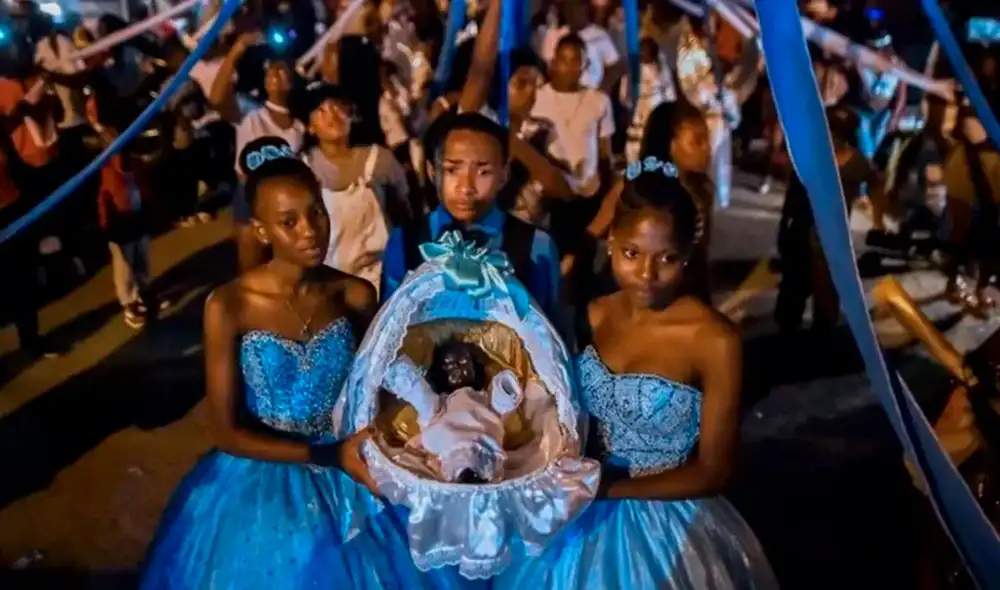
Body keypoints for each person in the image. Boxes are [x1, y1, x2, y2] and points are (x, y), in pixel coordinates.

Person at [140, 137, 411, 589]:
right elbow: (225, 431)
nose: (310, 230)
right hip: (260, 476)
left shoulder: (354, 294)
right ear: (262, 231)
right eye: (289, 221)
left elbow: (381, 387)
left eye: (316, 212)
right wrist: (325, 455)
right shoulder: (229, 305)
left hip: (349, 467)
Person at [496, 159, 777, 589]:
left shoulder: (714, 340)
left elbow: (714, 470)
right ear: (611, 242)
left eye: (667, 258)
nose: (648, 274)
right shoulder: (589, 316)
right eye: (632, 253)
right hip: (574, 518)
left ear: (687, 257)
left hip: (665, 524)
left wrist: (606, 489)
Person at [381, 112, 562, 322]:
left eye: (483, 172)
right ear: (433, 172)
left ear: (503, 175)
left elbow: (550, 332)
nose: (466, 187)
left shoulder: (536, 246)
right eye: (452, 170)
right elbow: (387, 328)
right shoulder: (405, 241)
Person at [300, 83, 411, 294]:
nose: (333, 115)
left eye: (337, 106)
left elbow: (405, 213)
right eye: (321, 110)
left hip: (382, 278)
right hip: (330, 285)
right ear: (310, 127)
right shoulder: (302, 170)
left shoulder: (380, 160)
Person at [774, 107, 877, 333]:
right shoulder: (849, 161)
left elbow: (791, 196)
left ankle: (810, 336)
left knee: (815, 295)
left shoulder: (812, 157)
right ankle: (802, 335)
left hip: (819, 238)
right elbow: (792, 196)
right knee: (804, 293)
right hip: (811, 237)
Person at [382, 341, 528, 484]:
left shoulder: (483, 397)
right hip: (444, 424)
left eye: (463, 362)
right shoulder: (440, 402)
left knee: (499, 405)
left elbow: (498, 408)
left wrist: (505, 390)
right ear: (438, 373)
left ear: (475, 367)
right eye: (447, 366)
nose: (456, 368)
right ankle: (397, 372)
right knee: (425, 402)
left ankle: (469, 472)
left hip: (481, 432)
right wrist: (417, 444)